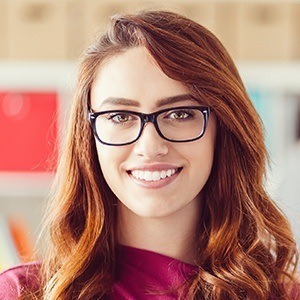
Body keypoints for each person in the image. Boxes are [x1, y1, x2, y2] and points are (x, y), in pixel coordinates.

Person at [0, 10, 299, 300]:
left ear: (223, 128)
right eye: (120, 116)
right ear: (88, 137)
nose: (150, 145)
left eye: (180, 113)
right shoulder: (25, 292)